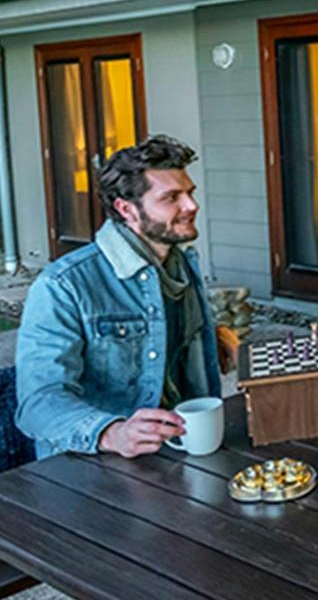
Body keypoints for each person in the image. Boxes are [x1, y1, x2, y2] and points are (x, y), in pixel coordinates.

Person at [16, 135, 222, 459]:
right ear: (127, 209)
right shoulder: (62, 285)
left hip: (174, 448)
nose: (191, 206)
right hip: (87, 467)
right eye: (172, 197)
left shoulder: (180, 265)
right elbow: (38, 403)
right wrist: (113, 433)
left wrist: (214, 340)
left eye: (190, 193)